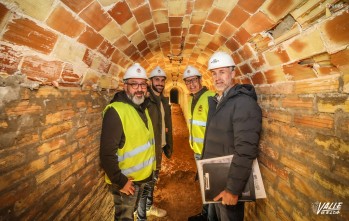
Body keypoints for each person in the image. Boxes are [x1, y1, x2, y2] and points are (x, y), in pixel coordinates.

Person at [203, 51, 262, 220]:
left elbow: (246, 149)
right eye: (214, 73)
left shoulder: (243, 103)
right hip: (216, 176)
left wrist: (233, 189)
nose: (217, 77)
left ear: (233, 73)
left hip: (229, 181)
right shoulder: (219, 101)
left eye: (222, 72)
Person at [99, 63, 156, 221]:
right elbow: (106, 154)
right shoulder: (115, 111)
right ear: (125, 86)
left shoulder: (141, 107)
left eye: (143, 84)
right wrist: (121, 182)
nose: (139, 88)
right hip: (127, 183)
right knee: (125, 218)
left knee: (133, 214)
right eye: (134, 84)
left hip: (141, 178)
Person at [136, 66, 173, 219]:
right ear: (150, 81)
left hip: (159, 148)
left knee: (152, 182)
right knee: (145, 186)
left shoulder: (163, 100)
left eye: (162, 80)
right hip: (148, 150)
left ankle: (149, 207)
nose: (160, 83)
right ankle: (141, 216)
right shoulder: (145, 99)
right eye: (156, 80)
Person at [183, 65, 215, 221]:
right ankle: (205, 214)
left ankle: (209, 217)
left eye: (194, 80)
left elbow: (216, 126)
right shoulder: (191, 99)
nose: (191, 84)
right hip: (198, 151)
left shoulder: (211, 97)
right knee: (205, 186)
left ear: (200, 80)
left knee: (210, 186)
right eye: (188, 81)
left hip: (209, 152)